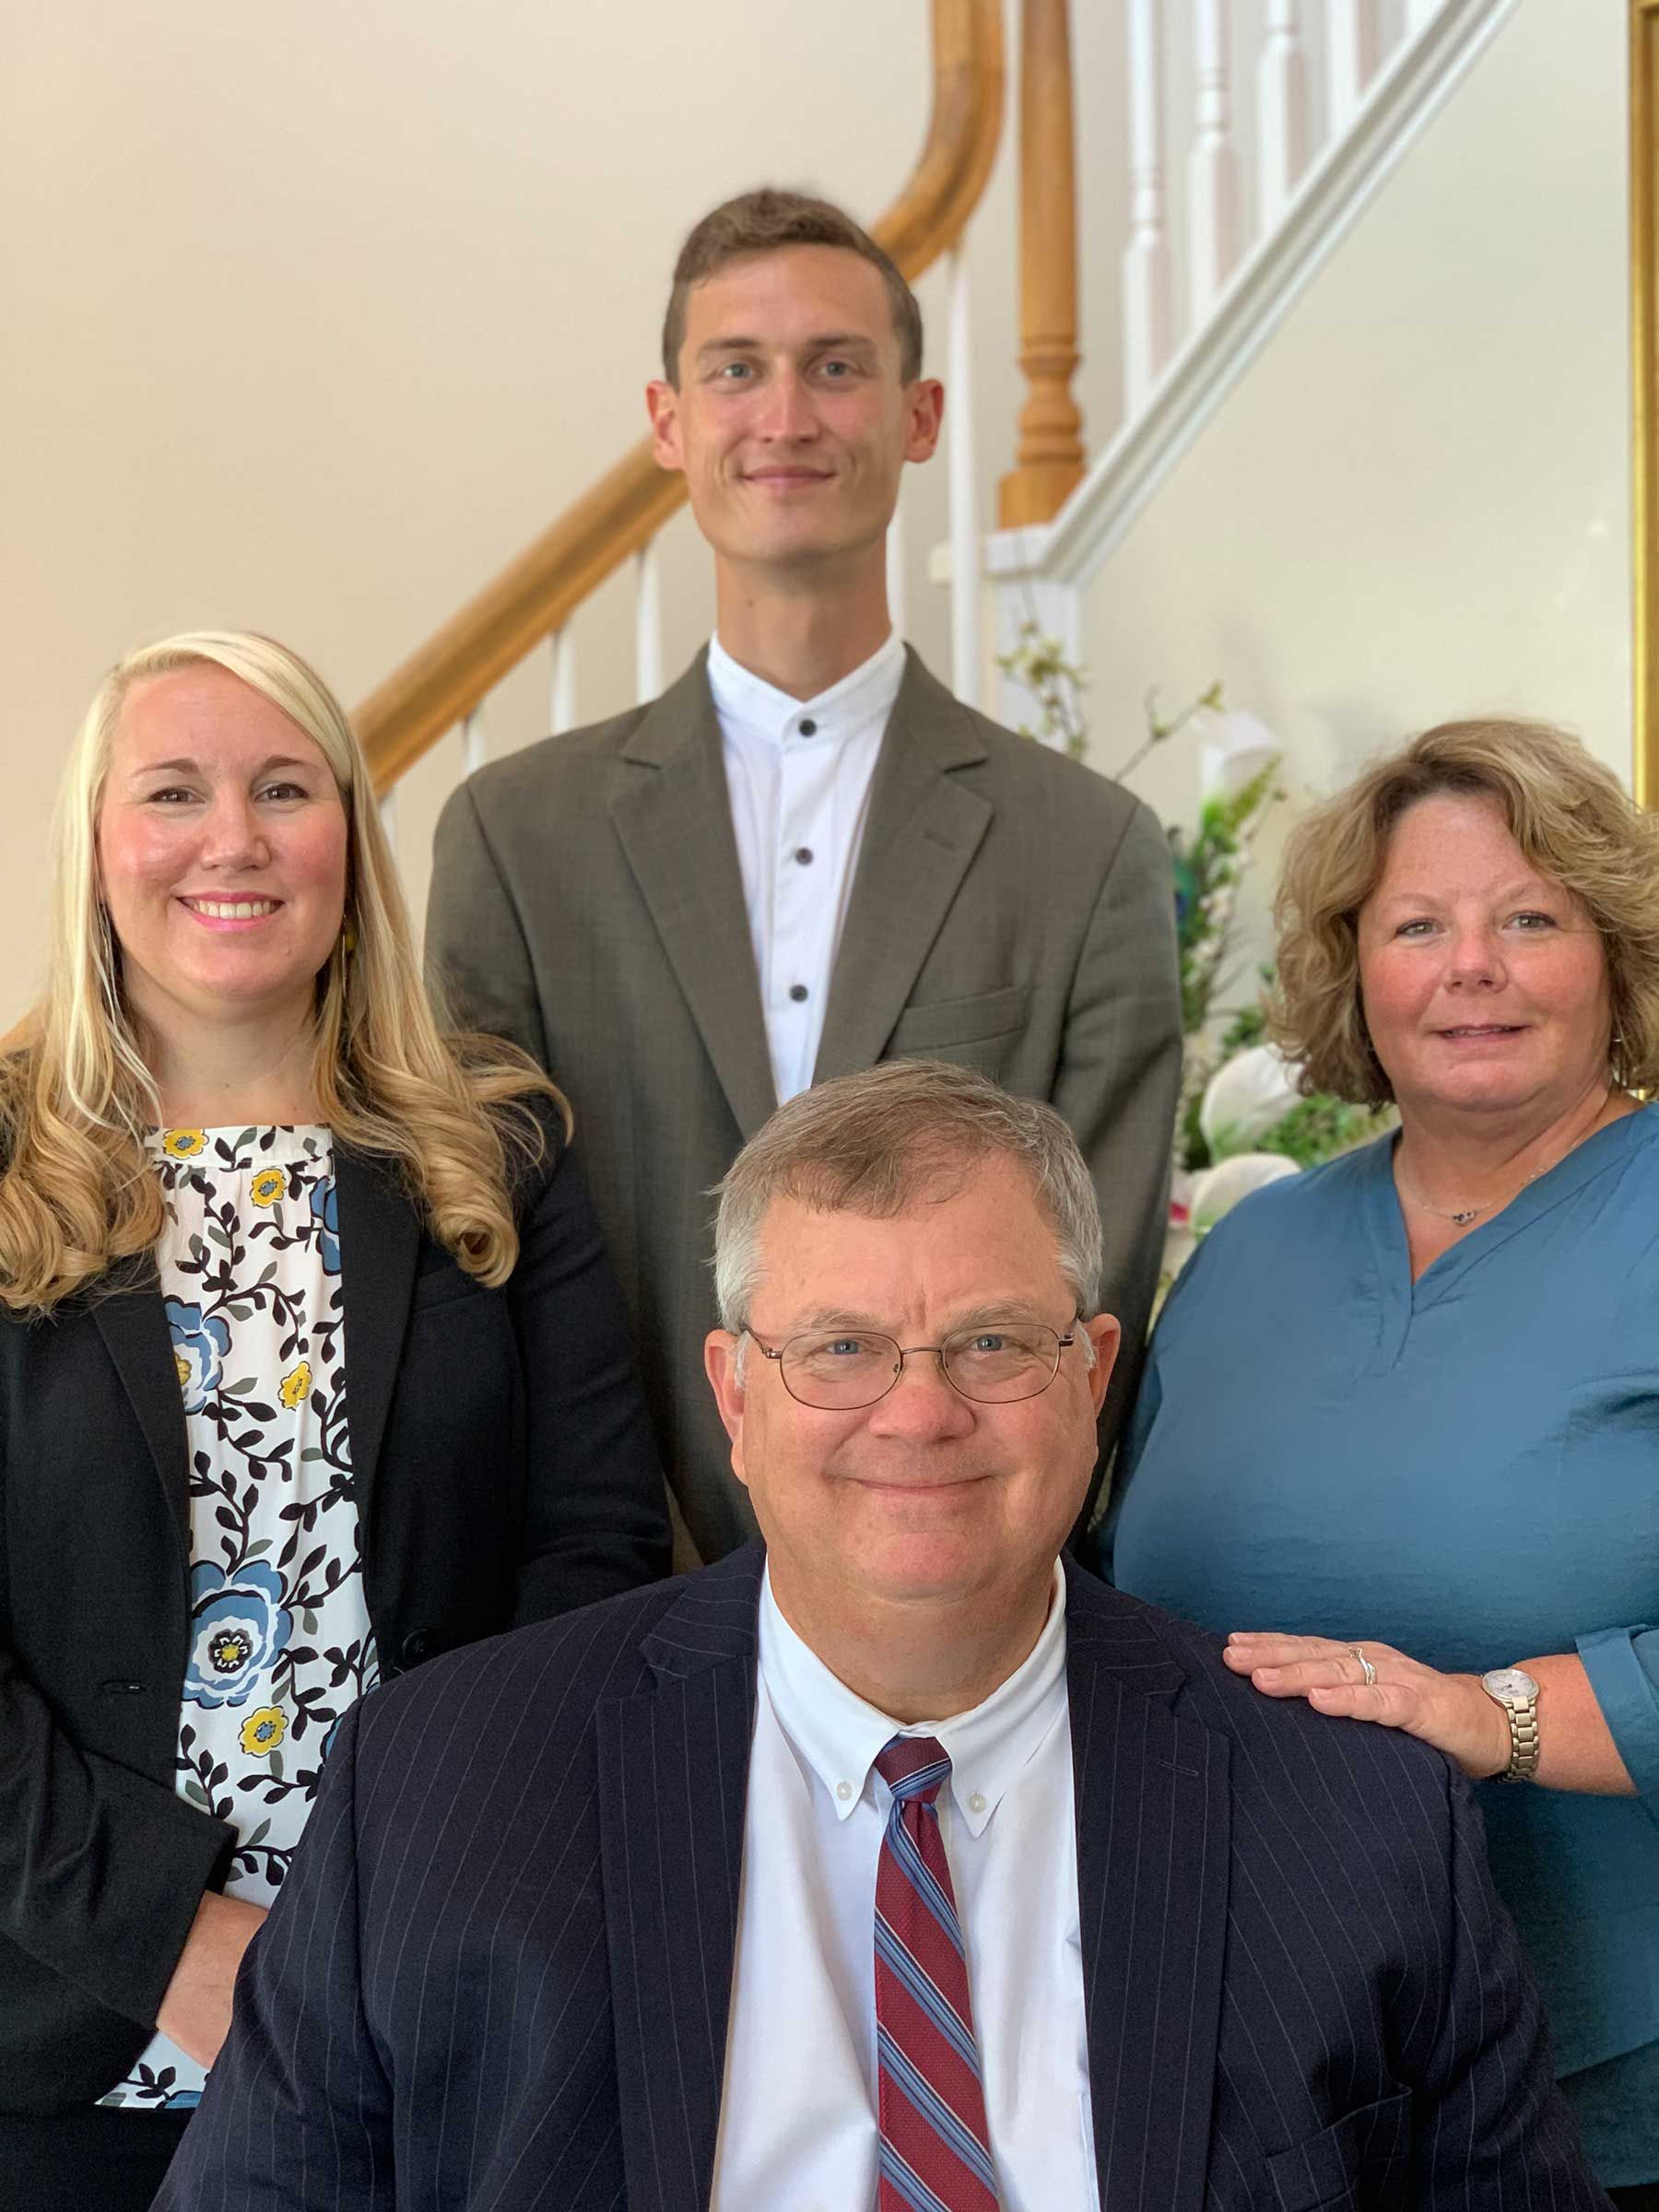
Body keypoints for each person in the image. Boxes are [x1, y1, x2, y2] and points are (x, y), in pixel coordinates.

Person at [161, 1057, 1606, 2211]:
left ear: (1091, 1375)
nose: (918, 1413)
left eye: (992, 1343)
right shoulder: (439, 1789)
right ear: (736, 1399)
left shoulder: (1358, 1820)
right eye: (841, 1348)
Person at [0, 631, 670, 2209]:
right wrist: (173, 1942)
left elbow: (594, 1555)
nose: (232, 839)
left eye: (285, 790)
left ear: (351, 845)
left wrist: (419, 1905)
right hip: (66, 2034)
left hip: (440, 2011)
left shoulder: (499, 1149)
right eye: (174, 792)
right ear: (96, 844)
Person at [426, 187, 1182, 1567]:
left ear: (920, 417)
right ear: (669, 421)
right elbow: (487, 1262)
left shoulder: (1089, 850)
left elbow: (1086, 1296)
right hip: (608, 1591)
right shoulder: (514, 841)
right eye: (737, 370)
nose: (785, 416)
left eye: (836, 366)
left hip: (956, 1577)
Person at [1098, 718, 1659, 2206]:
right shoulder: (1253, 1248)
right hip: (1265, 2061)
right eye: (1418, 926)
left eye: (1529, 920)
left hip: (1604, 2086)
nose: (1472, 967)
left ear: (1615, 956)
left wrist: (1488, 1715)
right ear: (1354, 969)